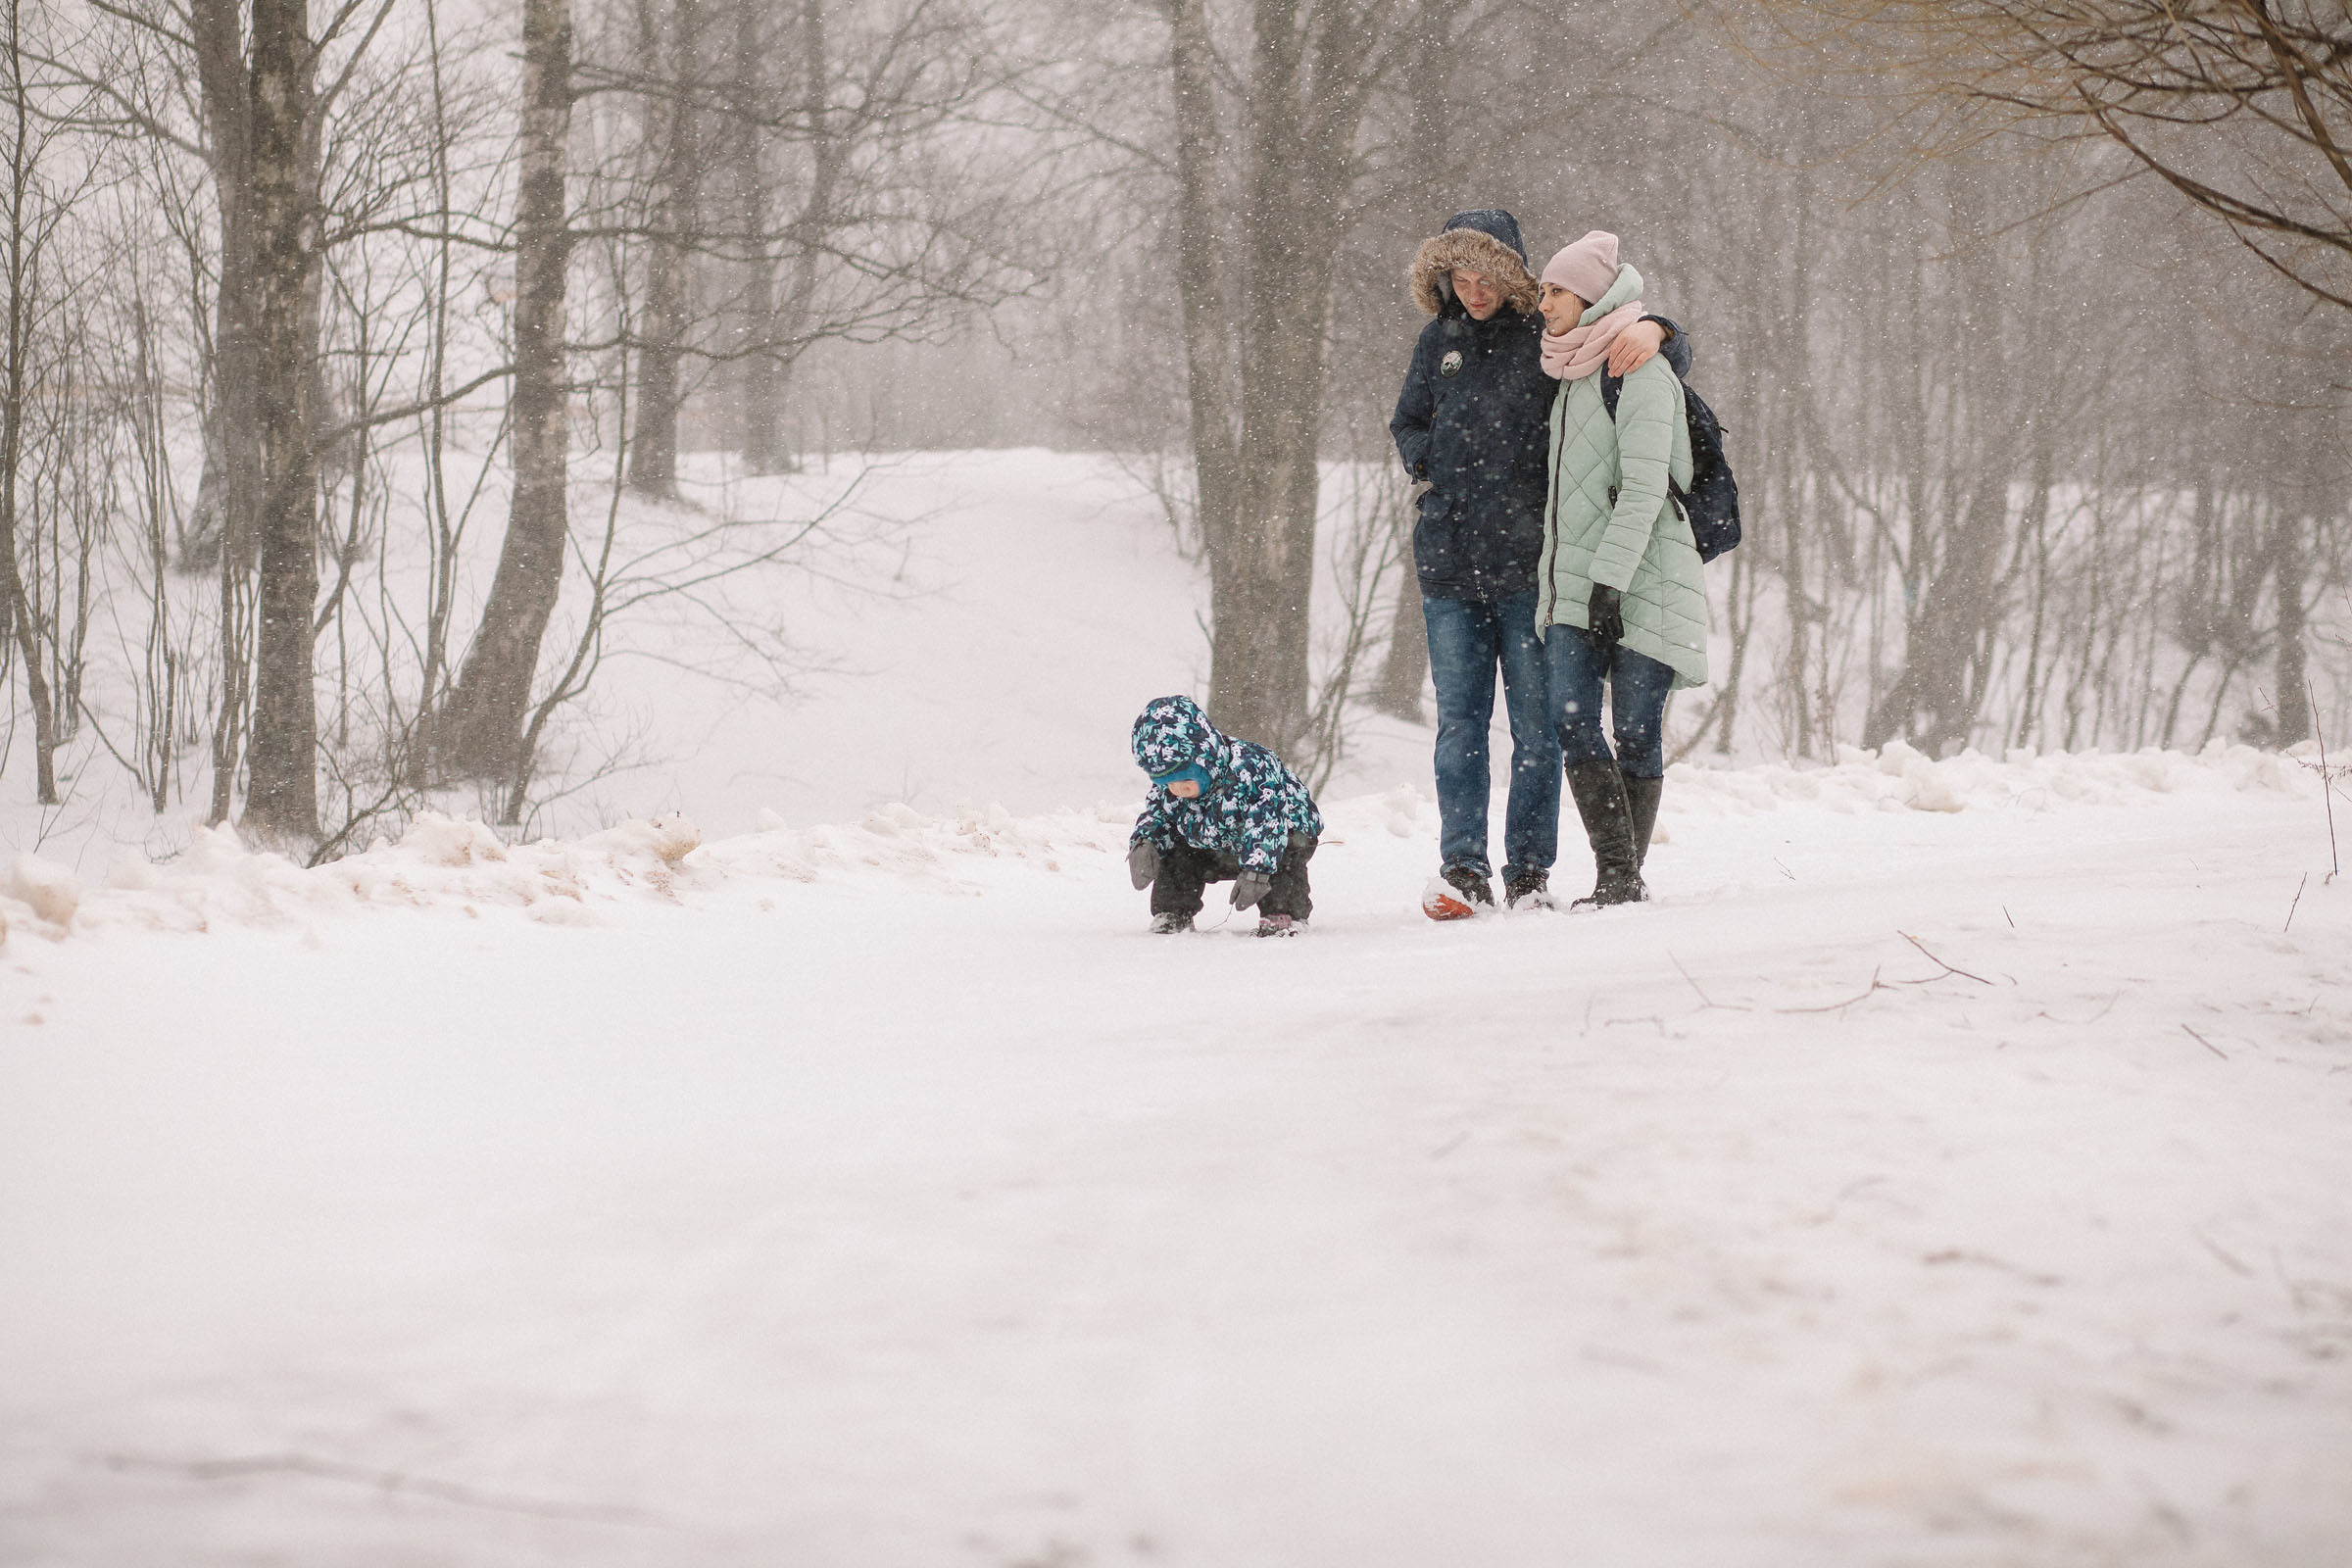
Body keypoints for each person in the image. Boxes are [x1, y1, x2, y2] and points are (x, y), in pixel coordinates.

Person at [1391, 209, 1690, 913]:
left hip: (1533, 569)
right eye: (1459, 277)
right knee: (1460, 724)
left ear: (1514, 277)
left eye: (1486, 277)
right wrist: (1430, 466)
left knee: (1537, 726)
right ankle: (1463, 867)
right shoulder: (1438, 342)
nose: (1473, 291)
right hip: (1449, 567)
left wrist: (1662, 330)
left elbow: (1643, 348)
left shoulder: (1550, 338)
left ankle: (1529, 873)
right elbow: (1406, 420)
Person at [1532, 231, 1709, 906]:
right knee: (1571, 719)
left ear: (1592, 295)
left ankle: (1619, 880)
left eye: (1556, 291)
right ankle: (1620, 874)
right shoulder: (1566, 373)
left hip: (1648, 572)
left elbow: (1644, 488)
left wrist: (1610, 581)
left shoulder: (1637, 366)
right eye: (1543, 290)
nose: (1543, 303)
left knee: (1635, 729)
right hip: (1573, 580)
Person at [1126, 695, 1324, 938]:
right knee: (1175, 851)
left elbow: (1268, 820)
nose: (1178, 789)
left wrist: (1257, 871)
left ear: (1205, 761)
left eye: (1186, 779)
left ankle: (1284, 913)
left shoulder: (1251, 767)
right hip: (1214, 843)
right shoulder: (1171, 789)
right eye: (1167, 783)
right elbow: (1158, 814)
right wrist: (1145, 843)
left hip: (1281, 833)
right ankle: (1173, 913)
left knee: (1284, 850)